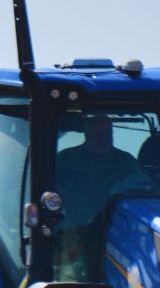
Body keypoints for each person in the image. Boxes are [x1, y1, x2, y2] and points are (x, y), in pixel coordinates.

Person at [53, 115, 141, 279]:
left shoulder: (126, 162)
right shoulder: (66, 160)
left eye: (108, 134)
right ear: (87, 136)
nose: (104, 139)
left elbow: (141, 193)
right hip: (72, 233)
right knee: (69, 279)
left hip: (113, 233)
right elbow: (50, 196)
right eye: (99, 135)